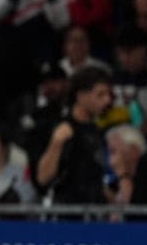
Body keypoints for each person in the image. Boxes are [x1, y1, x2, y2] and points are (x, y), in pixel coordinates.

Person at [35, 68, 113, 205]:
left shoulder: (97, 132)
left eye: (108, 94)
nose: (107, 100)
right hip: (66, 217)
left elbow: (95, 177)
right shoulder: (61, 129)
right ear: (81, 95)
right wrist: (56, 143)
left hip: (95, 216)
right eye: (100, 95)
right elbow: (43, 177)